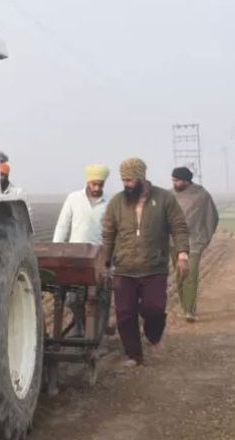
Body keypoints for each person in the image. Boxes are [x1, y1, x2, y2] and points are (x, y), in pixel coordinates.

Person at [100, 157, 191, 367]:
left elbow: (179, 227)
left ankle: (153, 335)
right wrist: (105, 262)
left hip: (154, 267)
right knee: (124, 315)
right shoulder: (116, 202)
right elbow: (108, 234)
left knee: (154, 309)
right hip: (124, 268)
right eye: (123, 180)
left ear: (141, 177)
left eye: (130, 179)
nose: (126, 184)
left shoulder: (164, 199)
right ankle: (134, 355)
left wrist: (182, 254)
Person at [53, 163, 111, 337]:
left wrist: (111, 261)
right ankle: (79, 325)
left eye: (100, 185)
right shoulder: (73, 199)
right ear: (87, 182)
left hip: (99, 257)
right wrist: (56, 251)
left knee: (100, 297)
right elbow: (63, 225)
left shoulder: (109, 202)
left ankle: (98, 334)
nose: (97, 188)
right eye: (94, 184)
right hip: (76, 255)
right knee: (73, 298)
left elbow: (114, 231)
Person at [170, 166, 220, 322]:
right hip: (174, 243)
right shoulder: (169, 196)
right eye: (173, 180)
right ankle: (185, 306)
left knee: (191, 275)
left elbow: (212, 218)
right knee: (179, 275)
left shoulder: (201, 196)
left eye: (177, 181)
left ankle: (189, 311)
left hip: (194, 243)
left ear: (186, 181)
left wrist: (203, 240)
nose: (175, 183)